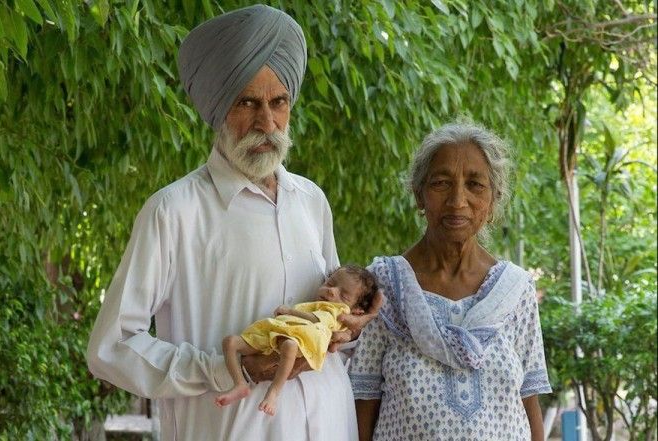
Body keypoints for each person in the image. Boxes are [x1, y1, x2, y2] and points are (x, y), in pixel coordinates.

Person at [86, 5, 380, 441]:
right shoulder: (173, 211)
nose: (267, 123)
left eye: (278, 102)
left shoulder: (311, 200)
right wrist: (226, 367)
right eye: (247, 102)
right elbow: (112, 347)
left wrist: (348, 327)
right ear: (218, 108)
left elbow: (330, 315)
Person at [348, 121, 552, 441]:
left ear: (493, 200)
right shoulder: (383, 285)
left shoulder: (515, 289)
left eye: (475, 185)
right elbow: (364, 399)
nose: (458, 200)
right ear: (419, 195)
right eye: (441, 183)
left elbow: (529, 400)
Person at [216, 265, 378, 416]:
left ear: (356, 312)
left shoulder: (338, 311)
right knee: (230, 342)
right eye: (330, 283)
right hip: (280, 332)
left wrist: (289, 311)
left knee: (289, 346)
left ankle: (273, 392)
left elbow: (318, 320)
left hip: (299, 339)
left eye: (344, 295)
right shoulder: (316, 305)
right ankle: (239, 384)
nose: (331, 291)